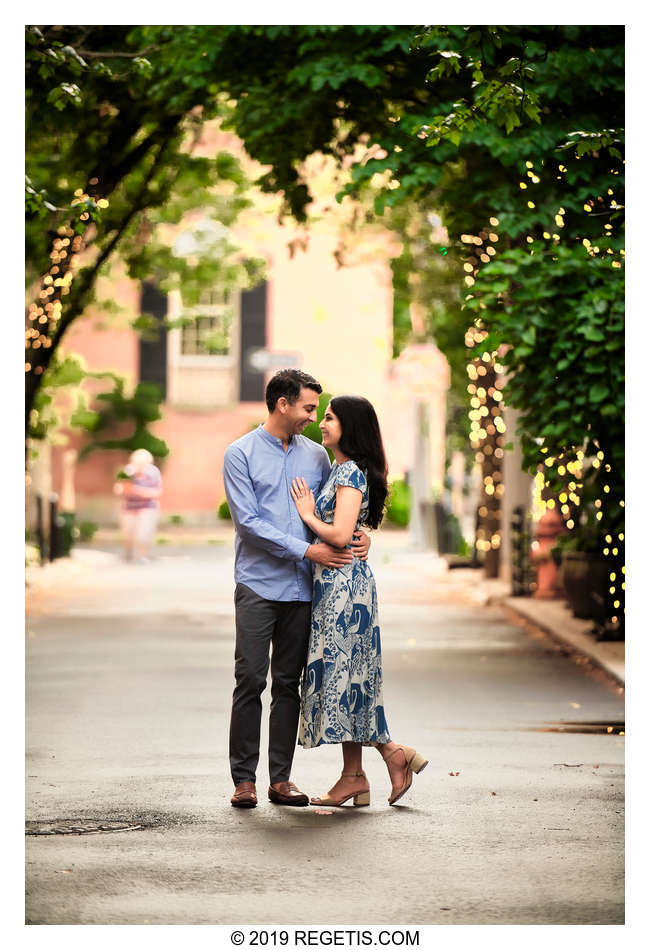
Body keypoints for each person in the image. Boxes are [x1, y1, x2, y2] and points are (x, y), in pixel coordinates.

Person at [223, 369, 371, 809]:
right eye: (308, 408)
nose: (313, 417)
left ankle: (280, 779)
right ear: (282, 404)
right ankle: (244, 780)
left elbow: (337, 513)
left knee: (289, 683)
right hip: (258, 584)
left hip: (305, 591)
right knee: (250, 678)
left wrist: (361, 536)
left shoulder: (318, 458)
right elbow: (248, 525)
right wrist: (308, 552)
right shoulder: (240, 453)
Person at [290, 395, 428, 807]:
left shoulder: (349, 472)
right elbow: (351, 532)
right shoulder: (341, 469)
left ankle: (385, 757)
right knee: (346, 679)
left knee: (345, 678)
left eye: (329, 417)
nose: (322, 423)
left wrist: (308, 514)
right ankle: (357, 775)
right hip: (337, 585)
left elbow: (338, 533)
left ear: (350, 426)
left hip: (346, 590)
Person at [113, 448, 162, 563]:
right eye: (137, 462)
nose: (140, 466)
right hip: (129, 507)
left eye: (143, 463)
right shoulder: (127, 472)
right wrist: (122, 490)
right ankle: (127, 554)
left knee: (143, 533)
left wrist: (136, 490)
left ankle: (141, 556)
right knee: (128, 533)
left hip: (147, 507)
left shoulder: (153, 473)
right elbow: (118, 488)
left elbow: (157, 492)